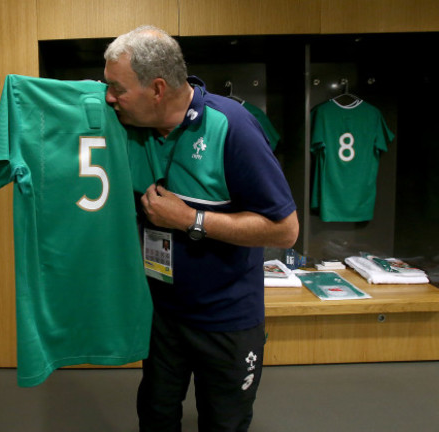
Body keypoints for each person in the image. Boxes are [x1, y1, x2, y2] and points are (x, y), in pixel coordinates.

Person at [104, 25, 299, 432]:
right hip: (161, 315)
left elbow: (284, 231)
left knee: (223, 423)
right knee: (156, 417)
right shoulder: (123, 124)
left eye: (117, 89)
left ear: (157, 89)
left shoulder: (233, 126)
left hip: (226, 318)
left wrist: (191, 219)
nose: (109, 98)